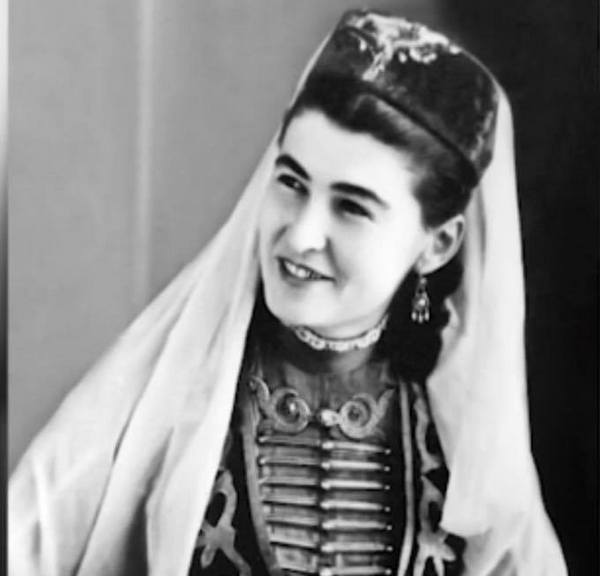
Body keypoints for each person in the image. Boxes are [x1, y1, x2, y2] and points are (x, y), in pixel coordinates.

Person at [9, 9, 567, 575]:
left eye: (352, 207)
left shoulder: (464, 440)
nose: (300, 235)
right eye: (292, 183)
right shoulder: (162, 402)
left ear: (438, 244)